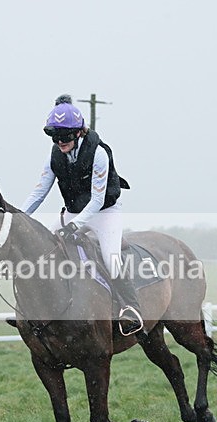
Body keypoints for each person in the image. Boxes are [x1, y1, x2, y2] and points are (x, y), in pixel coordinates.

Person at [21, 94, 144, 337]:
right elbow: (39, 192)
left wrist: (75, 225)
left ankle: (131, 308)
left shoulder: (98, 153)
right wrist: (19, 216)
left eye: (65, 136)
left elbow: (97, 200)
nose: (60, 142)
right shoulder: (54, 156)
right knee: (43, 250)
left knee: (110, 258)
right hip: (73, 213)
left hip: (104, 213)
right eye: (54, 136)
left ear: (79, 133)